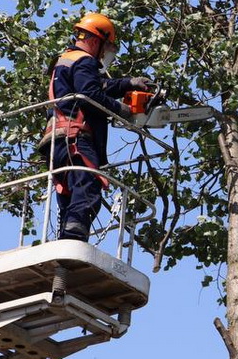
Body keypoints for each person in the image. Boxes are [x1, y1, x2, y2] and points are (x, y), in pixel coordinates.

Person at [38, 12, 154, 241]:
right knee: (88, 188)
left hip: (57, 141)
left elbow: (97, 85)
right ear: (95, 40)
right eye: (106, 48)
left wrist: (129, 83)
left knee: (71, 193)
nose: (104, 54)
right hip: (75, 138)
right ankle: (73, 239)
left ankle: (66, 240)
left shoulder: (68, 60)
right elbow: (90, 94)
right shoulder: (85, 60)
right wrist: (122, 109)